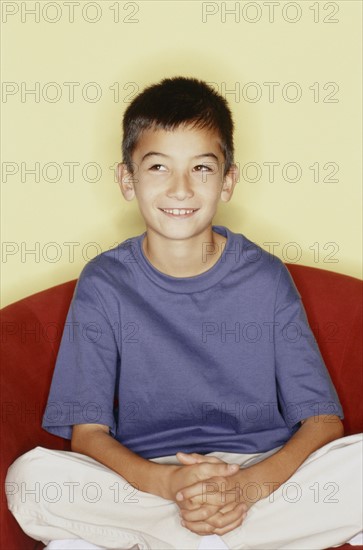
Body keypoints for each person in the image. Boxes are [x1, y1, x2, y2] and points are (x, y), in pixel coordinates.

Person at [5, 76, 362, 550]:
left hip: (259, 479)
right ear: (127, 180)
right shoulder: (105, 282)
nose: (180, 188)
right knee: (29, 479)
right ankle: (216, 537)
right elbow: (87, 434)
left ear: (228, 180)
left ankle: (172, 539)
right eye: (158, 167)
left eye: (201, 168)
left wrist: (243, 489)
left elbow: (322, 421)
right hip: (148, 485)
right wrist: (171, 486)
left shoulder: (266, 277)